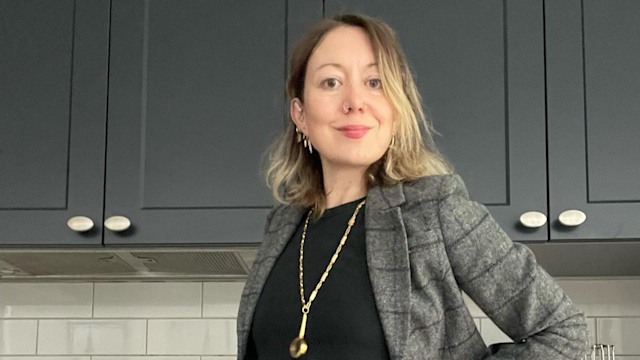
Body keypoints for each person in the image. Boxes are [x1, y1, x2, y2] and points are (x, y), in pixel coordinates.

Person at [237, 13, 588, 360]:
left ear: (395, 107)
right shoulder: (282, 226)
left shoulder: (435, 210)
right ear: (300, 114)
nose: (354, 101)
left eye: (374, 82)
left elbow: (563, 332)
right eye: (331, 82)